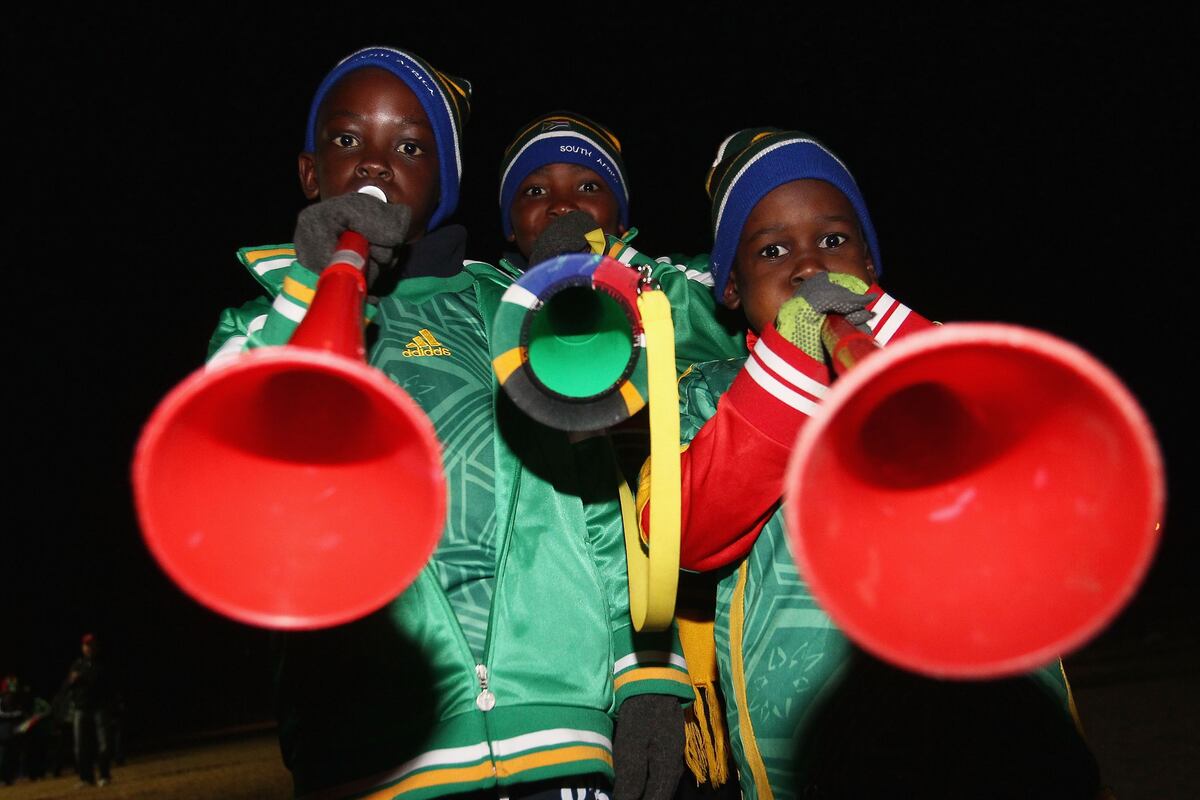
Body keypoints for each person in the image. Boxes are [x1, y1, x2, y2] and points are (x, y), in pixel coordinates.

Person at [205, 47, 693, 800]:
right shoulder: (258, 320)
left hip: (555, 731)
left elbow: (600, 498)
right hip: (371, 751)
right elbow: (230, 478)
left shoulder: (515, 312)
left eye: (409, 145)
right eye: (346, 140)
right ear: (309, 174)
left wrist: (647, 669)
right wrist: (312, 285)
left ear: (444, 184)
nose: (375, 162)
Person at [637, 129, 1101, 798]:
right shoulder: (704, 394)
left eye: (833, 242)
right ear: (731, 288)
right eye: (772, 250)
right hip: (813, 738)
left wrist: (899, 346)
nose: (808, 268)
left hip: (994, 721)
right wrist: (793, 365)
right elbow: (679, 533)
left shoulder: (943, 353)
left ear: (870, 263)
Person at [67, 633, 114, 787]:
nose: (89, 648)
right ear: (83, 647)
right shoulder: (78, 664)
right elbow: (69, 685)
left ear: (97, 647)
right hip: (81, 709)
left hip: (99, 707)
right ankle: (86, 778)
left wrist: (82, 678)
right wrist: (73, 680)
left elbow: (104, 683)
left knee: (103, 743)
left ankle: (104, 776)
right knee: (80, 746)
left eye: (92, 645)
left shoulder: (103, 664)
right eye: (86, 645)